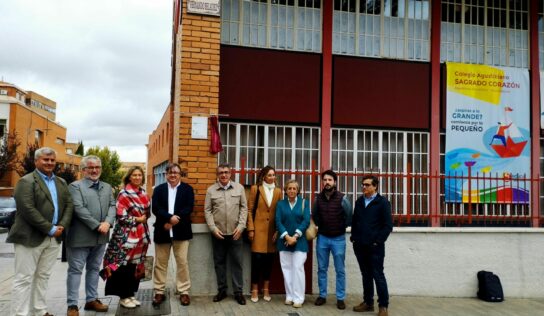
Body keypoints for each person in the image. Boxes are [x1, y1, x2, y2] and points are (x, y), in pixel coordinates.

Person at [7, 147, 73, 316]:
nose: (49, 163)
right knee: (24, 279)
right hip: (30, 237)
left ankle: (39, 310)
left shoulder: (61, 182)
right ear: (37, 161)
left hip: (54, 238)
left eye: (52, 160)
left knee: (42, 276)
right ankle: (19, 313)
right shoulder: (26, 181)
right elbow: (27, 209)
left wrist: (62, 227)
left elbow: (69, 205)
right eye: (45, 159)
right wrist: (50, 228)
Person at [66, 155, 116, 316]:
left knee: (94, 268)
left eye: (97, 167)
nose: (94, 170)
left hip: (100, 237)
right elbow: (78, 208)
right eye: (90, 167)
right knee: (75, 270)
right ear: (83, 170)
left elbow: (112, 206)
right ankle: (72, 305)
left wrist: (108, 223)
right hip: (80, 237)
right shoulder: (75, 187)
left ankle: (91, 299)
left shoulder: (107, 187)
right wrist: (97, 225)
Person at [100, 166, 151, 309]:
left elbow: (148, 213)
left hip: (141, 235)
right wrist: (138, 220)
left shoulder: (144, 193)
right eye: (134, 175)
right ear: (129, 177)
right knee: (123, 266)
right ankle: (123, 296)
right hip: (125, 236)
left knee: (135, 265)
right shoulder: (124, 193)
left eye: (139, 175)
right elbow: (121, 216)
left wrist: (143, 219)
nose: (137, 177)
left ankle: (130, 294)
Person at [204, 163, 248, 305]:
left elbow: (244, 208)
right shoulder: (211, 190)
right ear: (217, 175)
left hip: (236, 233)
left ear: (230, 174)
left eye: (226, 172)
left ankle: (238, 292)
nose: (223, 175)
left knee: (237, 263)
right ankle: (222, 290)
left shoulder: (239, 188)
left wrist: (241, 227)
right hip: (218, 234)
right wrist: (212, 228)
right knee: (219, 263)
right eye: (221, 172)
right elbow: (207, 210)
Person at [151, 163, 195, 307]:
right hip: (162, 230)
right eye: (170, 172)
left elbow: (188, 208)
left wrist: (175, 220)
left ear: (180, 174)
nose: (173, 175)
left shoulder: (187, 189)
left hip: (181, 232)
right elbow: (156, 208)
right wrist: (169, 218)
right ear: (166, 174)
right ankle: (159, 291)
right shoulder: (158, 190)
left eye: (176, 172)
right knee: (160, 263)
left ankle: (184, 292)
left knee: (182, 263)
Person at [351, 175, 393, 316]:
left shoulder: (382, 203)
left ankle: (383, 306)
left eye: (367, 185)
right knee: (366, 275)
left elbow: (388, 226)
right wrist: (354, 238)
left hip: (375, 247)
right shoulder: (359, 202)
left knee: (378, 275)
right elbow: (355, 221)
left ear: (375, 186)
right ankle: (368, 303)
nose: (364, 187)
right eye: (363, 184)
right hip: (360, 245)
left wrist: (377, 241)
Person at [313, 169, 352, 310]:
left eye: (330, 180)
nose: (327, 182)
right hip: (322, 238)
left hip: (338, 239)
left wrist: (340, 227)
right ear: (322, 182)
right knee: (322, 269)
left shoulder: (343, 198)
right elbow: (316, 216)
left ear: (335, 182)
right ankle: (322, 296)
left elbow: (349, 218)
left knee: (340, 270)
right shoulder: (317, 199)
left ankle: (340, 298)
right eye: (325, 180)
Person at [246, 165, 282, 303]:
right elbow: (250, 210)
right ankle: (254, 289)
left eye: (273, 175)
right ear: (263, 177)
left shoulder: (278, 191)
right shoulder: (256, 189)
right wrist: (251, 229)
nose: (272, 177)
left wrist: (278, 231)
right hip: (258, 231)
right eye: (269, 175)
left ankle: (266, 288)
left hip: (272, 232)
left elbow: (280, 212)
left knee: (269, 261)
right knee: (257, 260)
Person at [275, 179, 310, 308]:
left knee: (298, 268)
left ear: (298, 190)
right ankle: (289, 296)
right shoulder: (280, 204)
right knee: (287, 269)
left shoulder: (304, 203)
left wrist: (294, 236)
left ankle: (299, 298)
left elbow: (306, 221)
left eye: (294, 188)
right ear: (285, 190)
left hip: (299, 242)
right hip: (284, 241)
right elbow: (278, 221)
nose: (292, 190)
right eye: (289, 188)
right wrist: (287, 237)